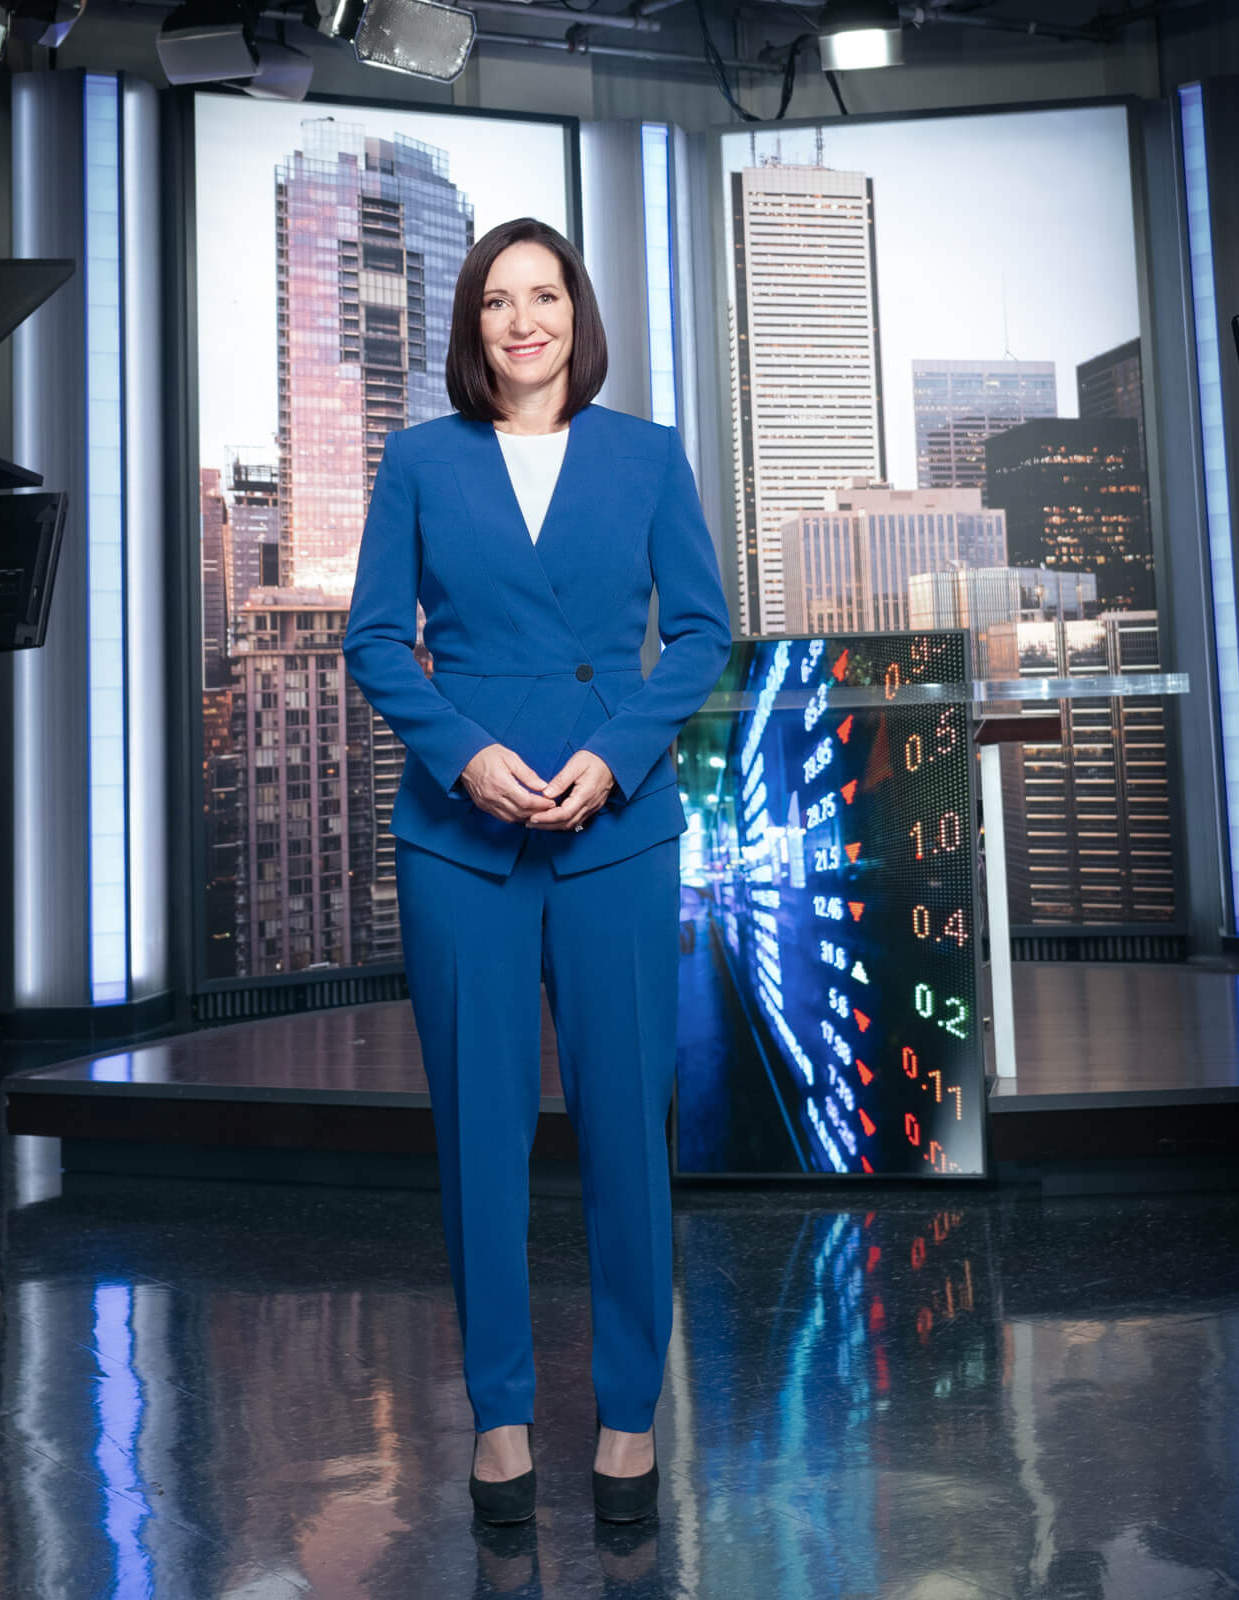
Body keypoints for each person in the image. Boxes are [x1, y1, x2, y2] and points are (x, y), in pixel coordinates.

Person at [341, 216, 733, 1526]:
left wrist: (614, 758)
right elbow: (378, 642)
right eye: (500, 300)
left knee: (629, 1127)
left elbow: (699, 634)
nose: (524, 321)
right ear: (473, 325)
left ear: (577, 314)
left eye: (545, 295)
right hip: (465, 838)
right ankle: (499, 1417)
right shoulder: (417, 461)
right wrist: (465, 757)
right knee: (481, 1138)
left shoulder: (649, 457)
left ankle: (629, 1417)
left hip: (616, 829)